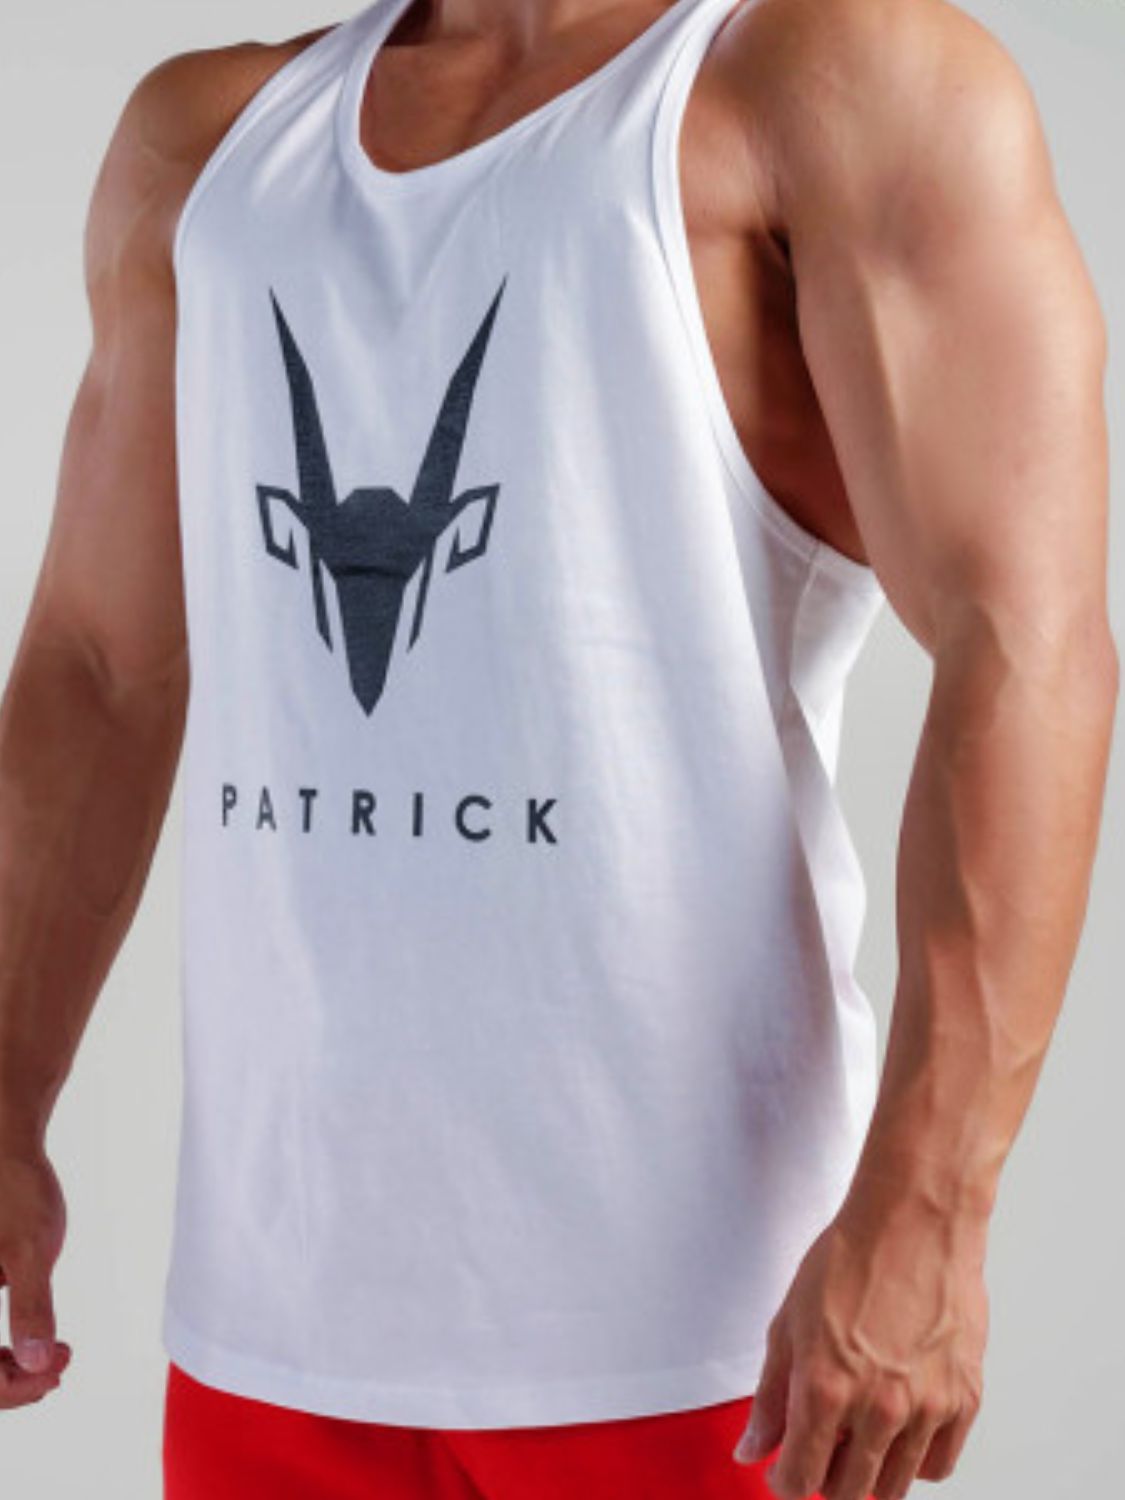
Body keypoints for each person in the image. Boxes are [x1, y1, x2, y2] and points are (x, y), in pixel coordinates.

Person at [0, 0, 1117, 1496]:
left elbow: (1025, 642)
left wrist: (928, 1209)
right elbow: (96, 662)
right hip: (271, 1334)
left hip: (709, 1353)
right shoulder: (205, 143)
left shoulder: (830, 84)